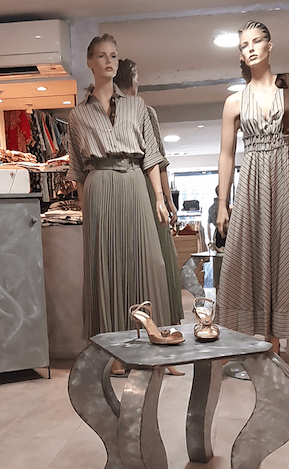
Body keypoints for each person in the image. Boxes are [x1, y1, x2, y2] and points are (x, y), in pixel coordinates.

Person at [67, 34, 171, 374]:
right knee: (106, 266)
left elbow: (151, 157)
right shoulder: (77, 115)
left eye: (113, 55)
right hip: (98, 185)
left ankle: (154, 345)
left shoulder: (137, 107)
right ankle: (113, 352)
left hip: (134, 181)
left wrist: (159, 198)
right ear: (89, 62)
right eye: (101, 56)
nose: (109, 61)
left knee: (148, 262)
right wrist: (85, 210)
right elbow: (78, 171)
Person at [215, 21, 289, 354]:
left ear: (269, 46)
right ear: (240, 55)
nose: (251, 49)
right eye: (244, 45)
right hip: (252, 182)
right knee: (246, 255)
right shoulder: (234, 102)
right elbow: (226, 154)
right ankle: (248, 341)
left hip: (287, 177)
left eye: (257, 41)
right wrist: (222, 202)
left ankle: (274, 346)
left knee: (283, 253)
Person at [114, 58, 185, 376]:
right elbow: (158, 161)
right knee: (159, 267)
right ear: (133, 78)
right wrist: (167, 201)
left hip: (119, 193)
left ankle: (120, 355)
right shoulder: (144, 111)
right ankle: (163, 350)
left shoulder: (107, 112)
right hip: (143, 190)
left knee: (124, 268)